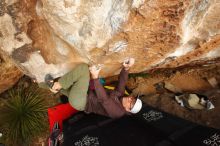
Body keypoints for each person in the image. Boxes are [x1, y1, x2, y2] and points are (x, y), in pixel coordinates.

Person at [39, 58, 142, 118]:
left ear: (128, 110)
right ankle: (40, 81)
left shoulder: (118, 112)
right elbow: (122, 82)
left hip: (82, 101)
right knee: (64, 82)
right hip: (84, 94)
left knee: (83, 69)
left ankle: (57, 85)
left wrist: (95, 77)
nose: (130, 99)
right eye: (132, 98)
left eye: (131, 103)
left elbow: (104, 100)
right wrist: (127, 68)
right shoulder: (121, 95)